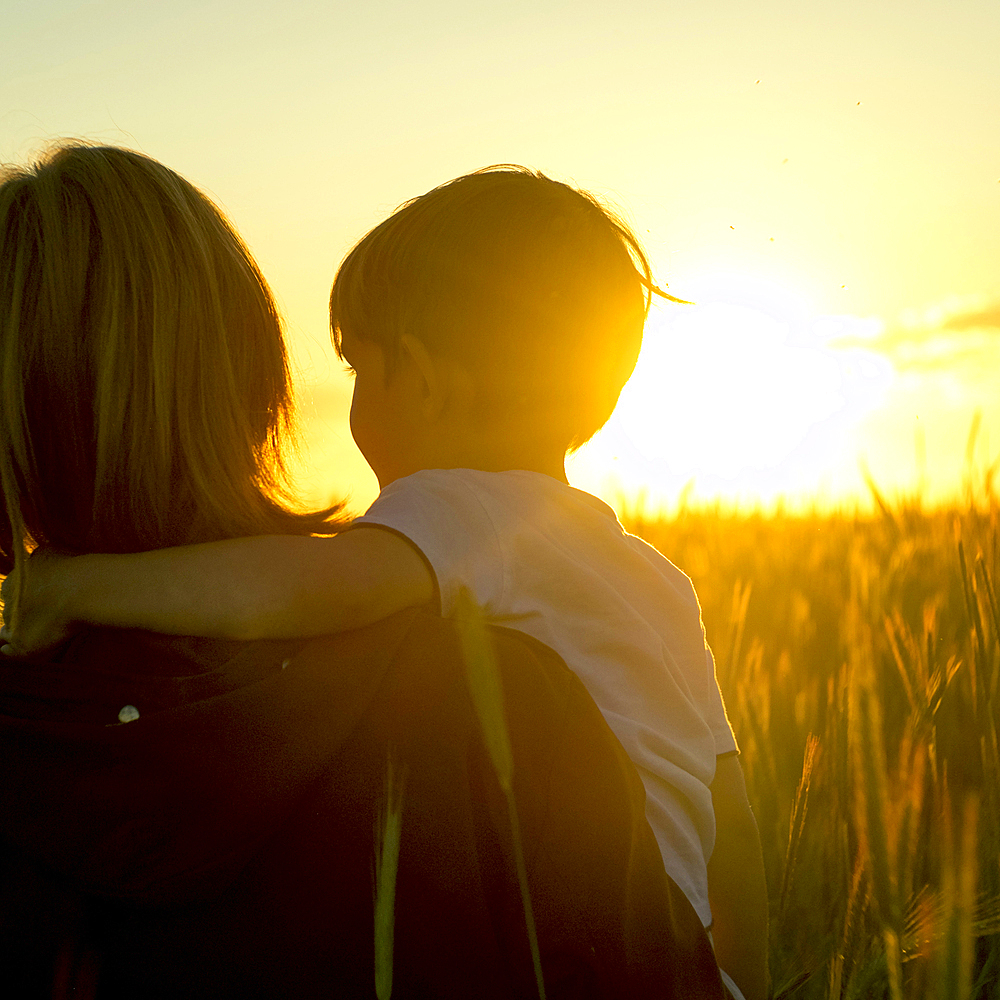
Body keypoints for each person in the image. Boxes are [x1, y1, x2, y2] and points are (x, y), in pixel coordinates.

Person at [4, 166, 767, 998]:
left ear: (423, 378)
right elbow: (732, 826)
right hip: (664, 957)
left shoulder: (461, 514)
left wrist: (74, 589)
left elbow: (290, 593)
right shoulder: (653, 579)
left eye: (358, 369)